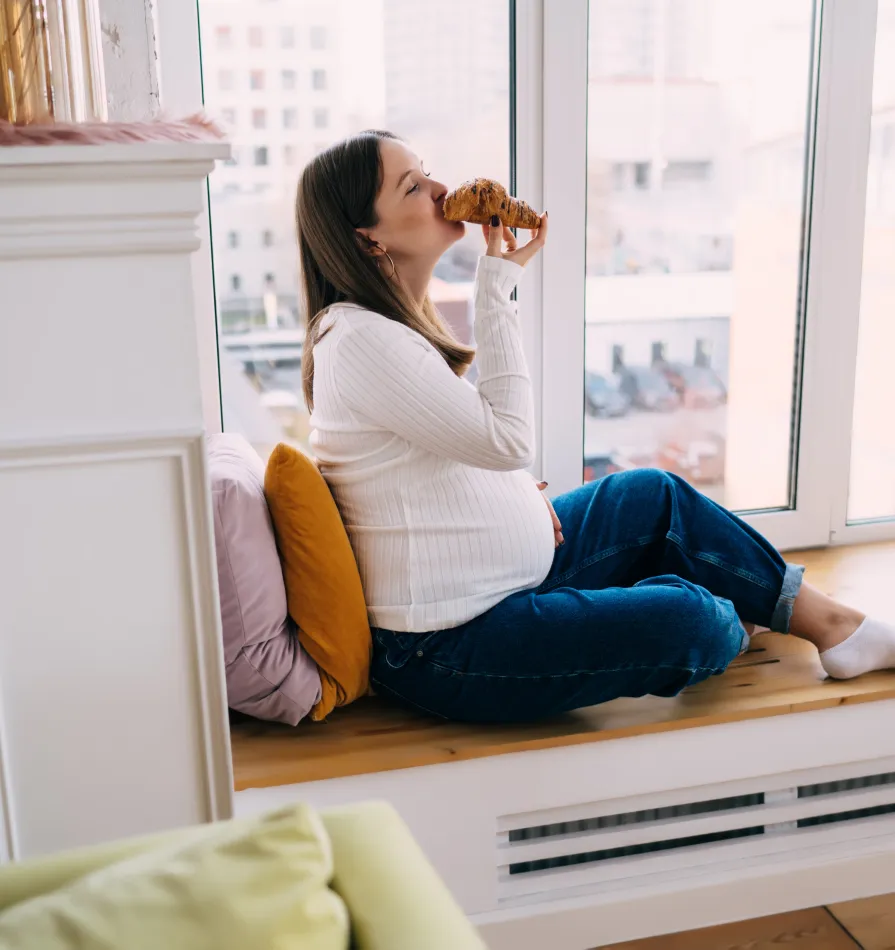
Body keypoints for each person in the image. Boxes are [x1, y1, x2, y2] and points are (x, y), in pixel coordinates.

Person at [295, 129, 895, 723]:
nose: (440, 189)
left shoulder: (386, 328)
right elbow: (507, 439)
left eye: (427, 171)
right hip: (447, 646)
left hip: (508, 582)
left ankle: (837, 626)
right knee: (692, 623)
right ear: (367, 237)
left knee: (653, 495)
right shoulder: (358, 340)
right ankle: (730, 612)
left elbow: (442, 452)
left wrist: (516, 498)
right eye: (412, 186)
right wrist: (496, 287)